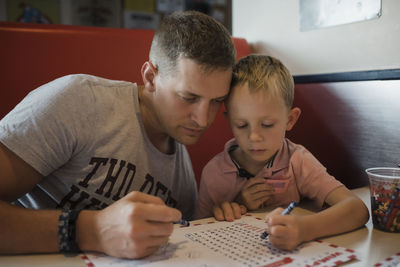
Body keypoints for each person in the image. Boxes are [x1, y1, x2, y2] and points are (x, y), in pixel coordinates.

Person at [0, 11, 235, 259]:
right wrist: (93, 231)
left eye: (216, 102)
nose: (203, 119)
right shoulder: (77, 102)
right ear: (151, 77)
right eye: (189, 97)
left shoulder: (183, 180)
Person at [196, 55, 369, 251]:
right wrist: (236, 206)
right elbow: (194, 233)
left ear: (290, 120)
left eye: (267, 124)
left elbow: (357, 209)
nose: (254, 137)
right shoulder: (214, 174)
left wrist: (304, 229)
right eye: (241, 125)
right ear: (229, 122)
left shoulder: (297, 161)